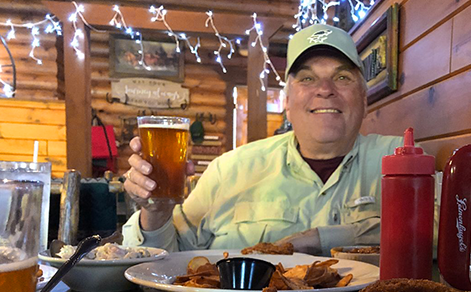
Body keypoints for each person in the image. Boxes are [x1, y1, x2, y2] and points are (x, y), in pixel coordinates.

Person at [121, 24, 403, 255]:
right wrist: (155, 216)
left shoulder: (401, 159)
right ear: (287, 102)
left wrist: (321, 239)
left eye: (342, 77)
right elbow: (164, 259)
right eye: (307, 78)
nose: (325, 90)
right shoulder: (228, 170)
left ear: (364, 100)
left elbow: (441, 231)